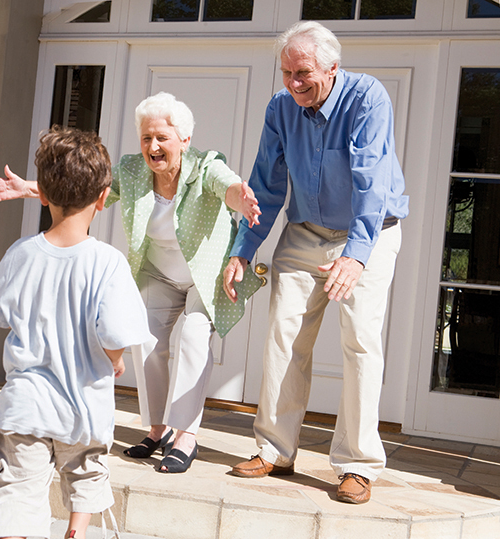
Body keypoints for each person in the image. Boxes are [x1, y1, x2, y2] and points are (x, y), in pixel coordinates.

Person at [0, 92, 263, 474]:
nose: (153, 146)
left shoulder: (205, 167)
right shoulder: (132, 172)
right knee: (145, 339)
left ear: (185, 140)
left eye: (162, 137)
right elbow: (87, 189)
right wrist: (30, 189)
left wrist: (239, 199)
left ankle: (186, 435)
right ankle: (158, 428)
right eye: (147, 138)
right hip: (158, 272)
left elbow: (227, 186)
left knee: (194, 335)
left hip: (203, 275)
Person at [225, 21, 409, 504]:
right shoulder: (281, 107)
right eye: (286, 72)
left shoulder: (367, 98)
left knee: (360, 342)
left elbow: (370, 177)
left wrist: (358, 253)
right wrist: (244, 248)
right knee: (284, 338)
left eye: (303, 72)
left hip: (369, 231)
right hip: (304, 232)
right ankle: (274, 449)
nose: (293, 82)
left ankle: (357, 464)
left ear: (332, 67)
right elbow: (265, 182)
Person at [0, 126, 154, 539]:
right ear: (104, 197)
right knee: (87, 473)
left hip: (26, 405)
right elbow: (113, 333)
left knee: (18, 489)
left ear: (41, 194)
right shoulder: (108, 263)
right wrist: (116, 359)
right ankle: (76, 532)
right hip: (83, 406)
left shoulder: (21, 253)